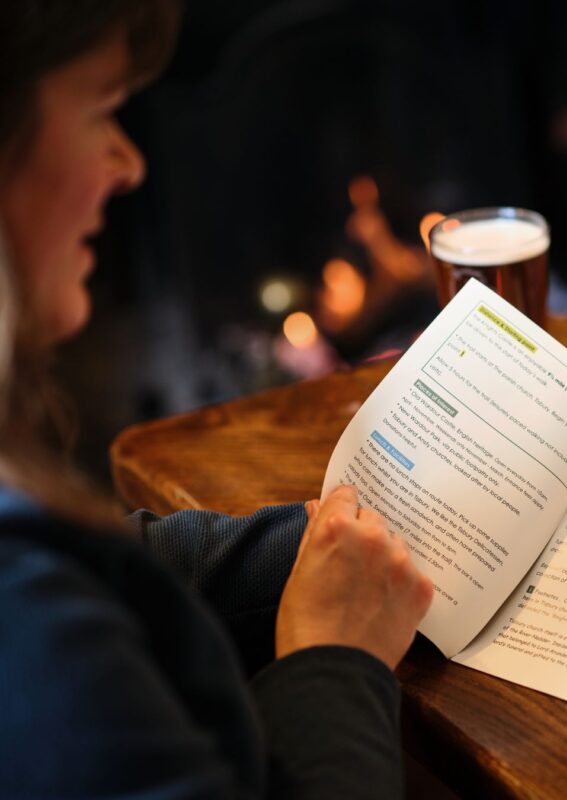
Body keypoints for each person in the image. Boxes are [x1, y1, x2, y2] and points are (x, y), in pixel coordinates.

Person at [0, 1, 433, 797]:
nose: (129, 163)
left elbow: (123, 561)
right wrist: (334, 658)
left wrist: (305, 538)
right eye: (102, 109)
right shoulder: (30, 639)